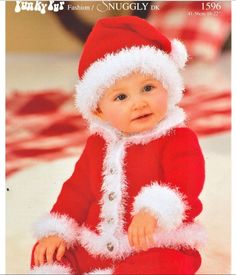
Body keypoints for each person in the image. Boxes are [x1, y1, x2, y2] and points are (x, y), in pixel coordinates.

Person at [29, 15, 206, 274]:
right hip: (97, 244)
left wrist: (152, 211)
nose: (139, 103)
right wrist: (59, 231)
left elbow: (185, 181)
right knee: (46, 254)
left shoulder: (178, 137)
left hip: (154, 244)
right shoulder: (97, 145)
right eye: (121, 96)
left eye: (148, 88)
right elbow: (77, 191)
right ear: (98, 111)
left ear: (168, 87)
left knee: (164, 264)